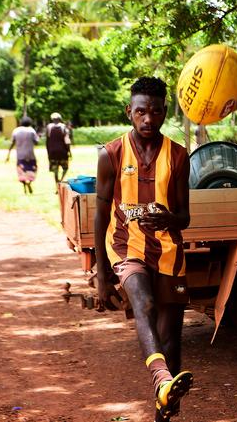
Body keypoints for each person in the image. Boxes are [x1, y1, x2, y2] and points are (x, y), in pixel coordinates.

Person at [94, 77, 193, 422]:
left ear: (164, 111)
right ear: (129, 112)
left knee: (172, 344)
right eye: (140, 112)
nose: (147, 119)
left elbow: (186, 217)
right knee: (144, 302)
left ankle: (165, 409)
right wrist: (101, 275)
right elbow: (101, 211)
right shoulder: (111, 155)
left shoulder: (178, 156)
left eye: (154, 112)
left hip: (169, 253)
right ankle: (160, 378)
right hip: (126, 246)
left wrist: (170, 218)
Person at [6, 116, 39, 195]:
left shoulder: (16, 131)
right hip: (30, 155)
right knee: (32, 170)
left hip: (20, 155)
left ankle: (24, 186)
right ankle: (29, 182)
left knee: (21, 172)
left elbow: (12, 143)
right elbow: (36, 142)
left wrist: (8, 155)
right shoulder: (32, 131)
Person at [46, 112, 71, 188]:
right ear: (60, 119)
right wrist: (69, 151)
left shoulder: (49, 127)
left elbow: (47, 140)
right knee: (65, 168)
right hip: (62, 151)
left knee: (55, 169)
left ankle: (57, 183)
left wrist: (48, 151)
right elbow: (67, 141)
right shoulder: (64, 127)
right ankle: (61, 180)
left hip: (52, 152)